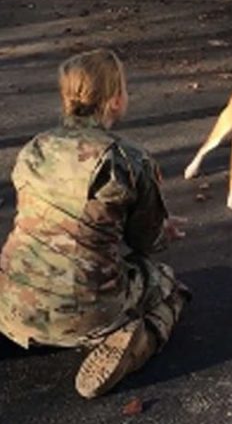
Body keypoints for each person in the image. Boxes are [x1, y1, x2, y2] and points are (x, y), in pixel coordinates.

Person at [0, 48, 191, 399]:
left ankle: (22, 319)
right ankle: (135, 339)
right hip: (88, 308)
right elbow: (144, 241)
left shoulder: (35, 148)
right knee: (165, 283)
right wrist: (165, 231)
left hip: (11, 301)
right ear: (116, 100)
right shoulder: (127, 159)